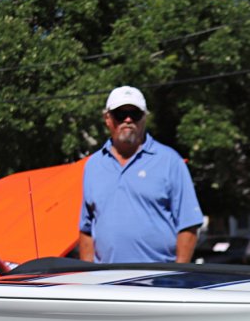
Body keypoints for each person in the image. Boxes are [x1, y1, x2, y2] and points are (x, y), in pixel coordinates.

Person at [78, 86, 203, 263]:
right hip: (104, 282)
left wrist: (177, 275)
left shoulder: (170, 161)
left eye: (135, 114)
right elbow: (86, 229)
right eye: (120, 114)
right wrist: (87, 279)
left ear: (145, 118)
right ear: (107, 118)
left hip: (158, 282)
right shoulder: (93, 166)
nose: (128, 120)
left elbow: (188, 225)